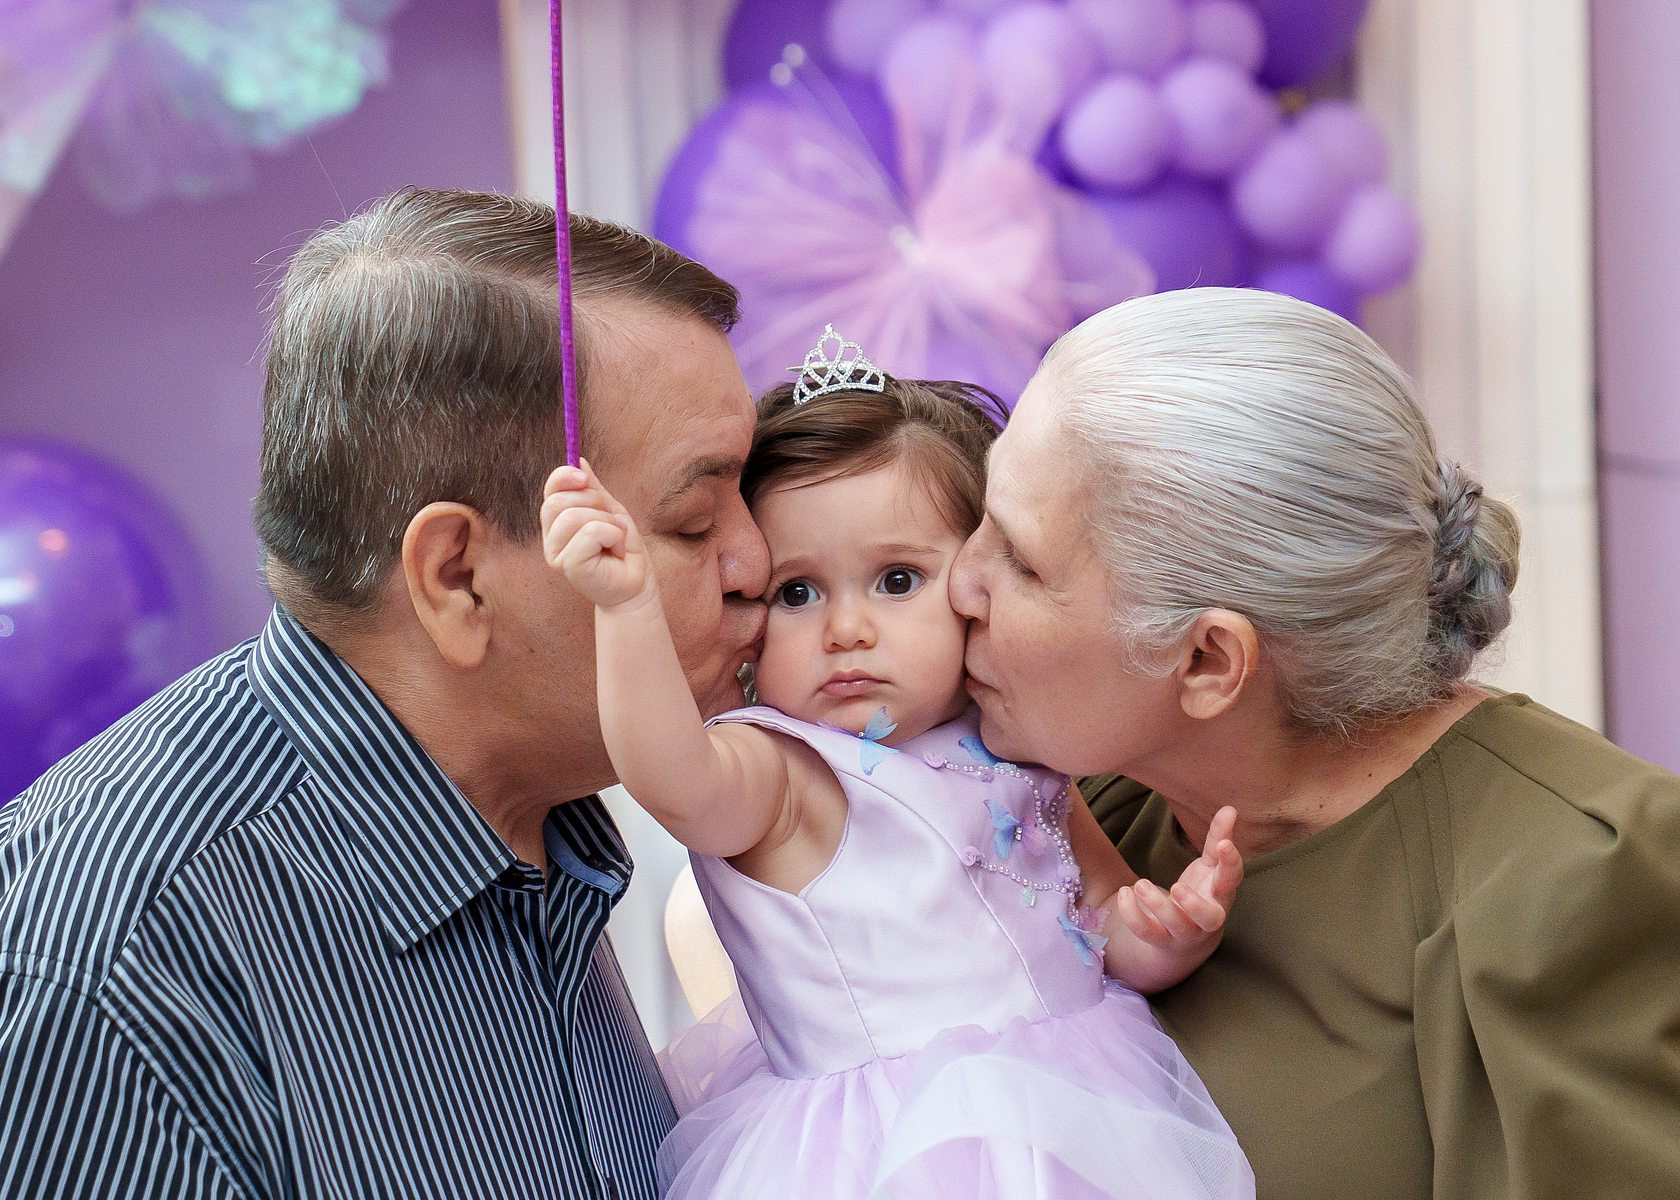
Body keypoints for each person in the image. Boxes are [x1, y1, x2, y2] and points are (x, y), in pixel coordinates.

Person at [0, 187, 771, 1200]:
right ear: (457, 576)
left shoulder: (543, 826)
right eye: (693, 520)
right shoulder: (120, 969)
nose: (758, 563)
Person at [949, 286, 1680, 1200]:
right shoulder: (1055, 812)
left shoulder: (1569, 879)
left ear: (1208, 661)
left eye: (1019, 560)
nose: (958, 582)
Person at [541, 326, 1253, 1199]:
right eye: (797, 592)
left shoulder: (1017, 751)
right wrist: (627, 611)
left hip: (1083, 1114)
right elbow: (671, 778)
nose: (847, 629)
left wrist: (1161, 935)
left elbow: (1095, 923)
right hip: (885, 1153)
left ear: (976, 582)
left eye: (897, 581)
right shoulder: (787, 773)